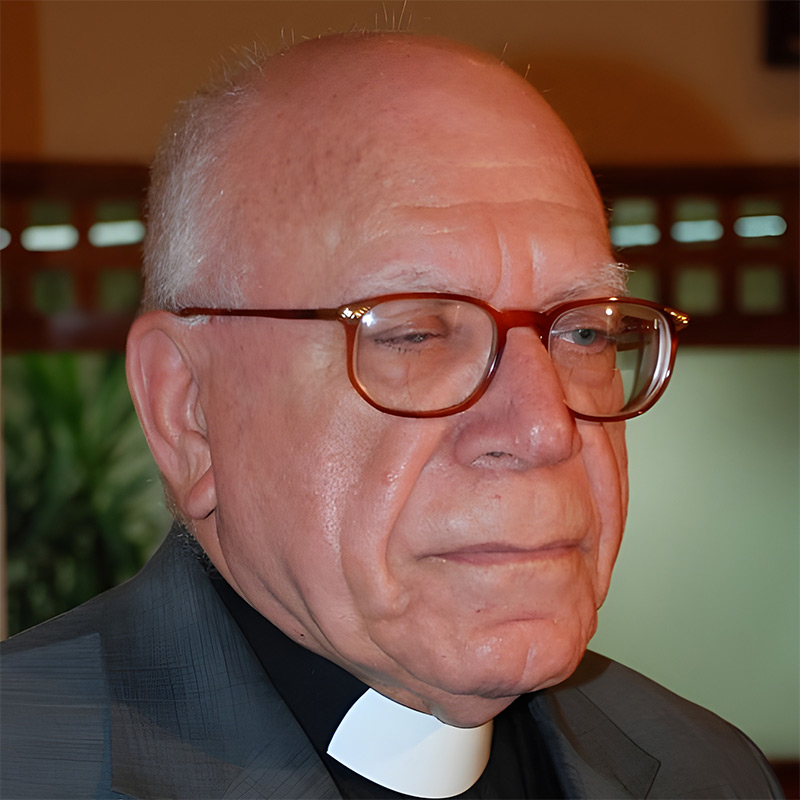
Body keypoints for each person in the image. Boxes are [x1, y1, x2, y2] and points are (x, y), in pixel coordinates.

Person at [1, 32, 783, 800]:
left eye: (584, 333)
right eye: (413, 334)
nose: (545, 430)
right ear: (188, 412)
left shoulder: (707, 771)